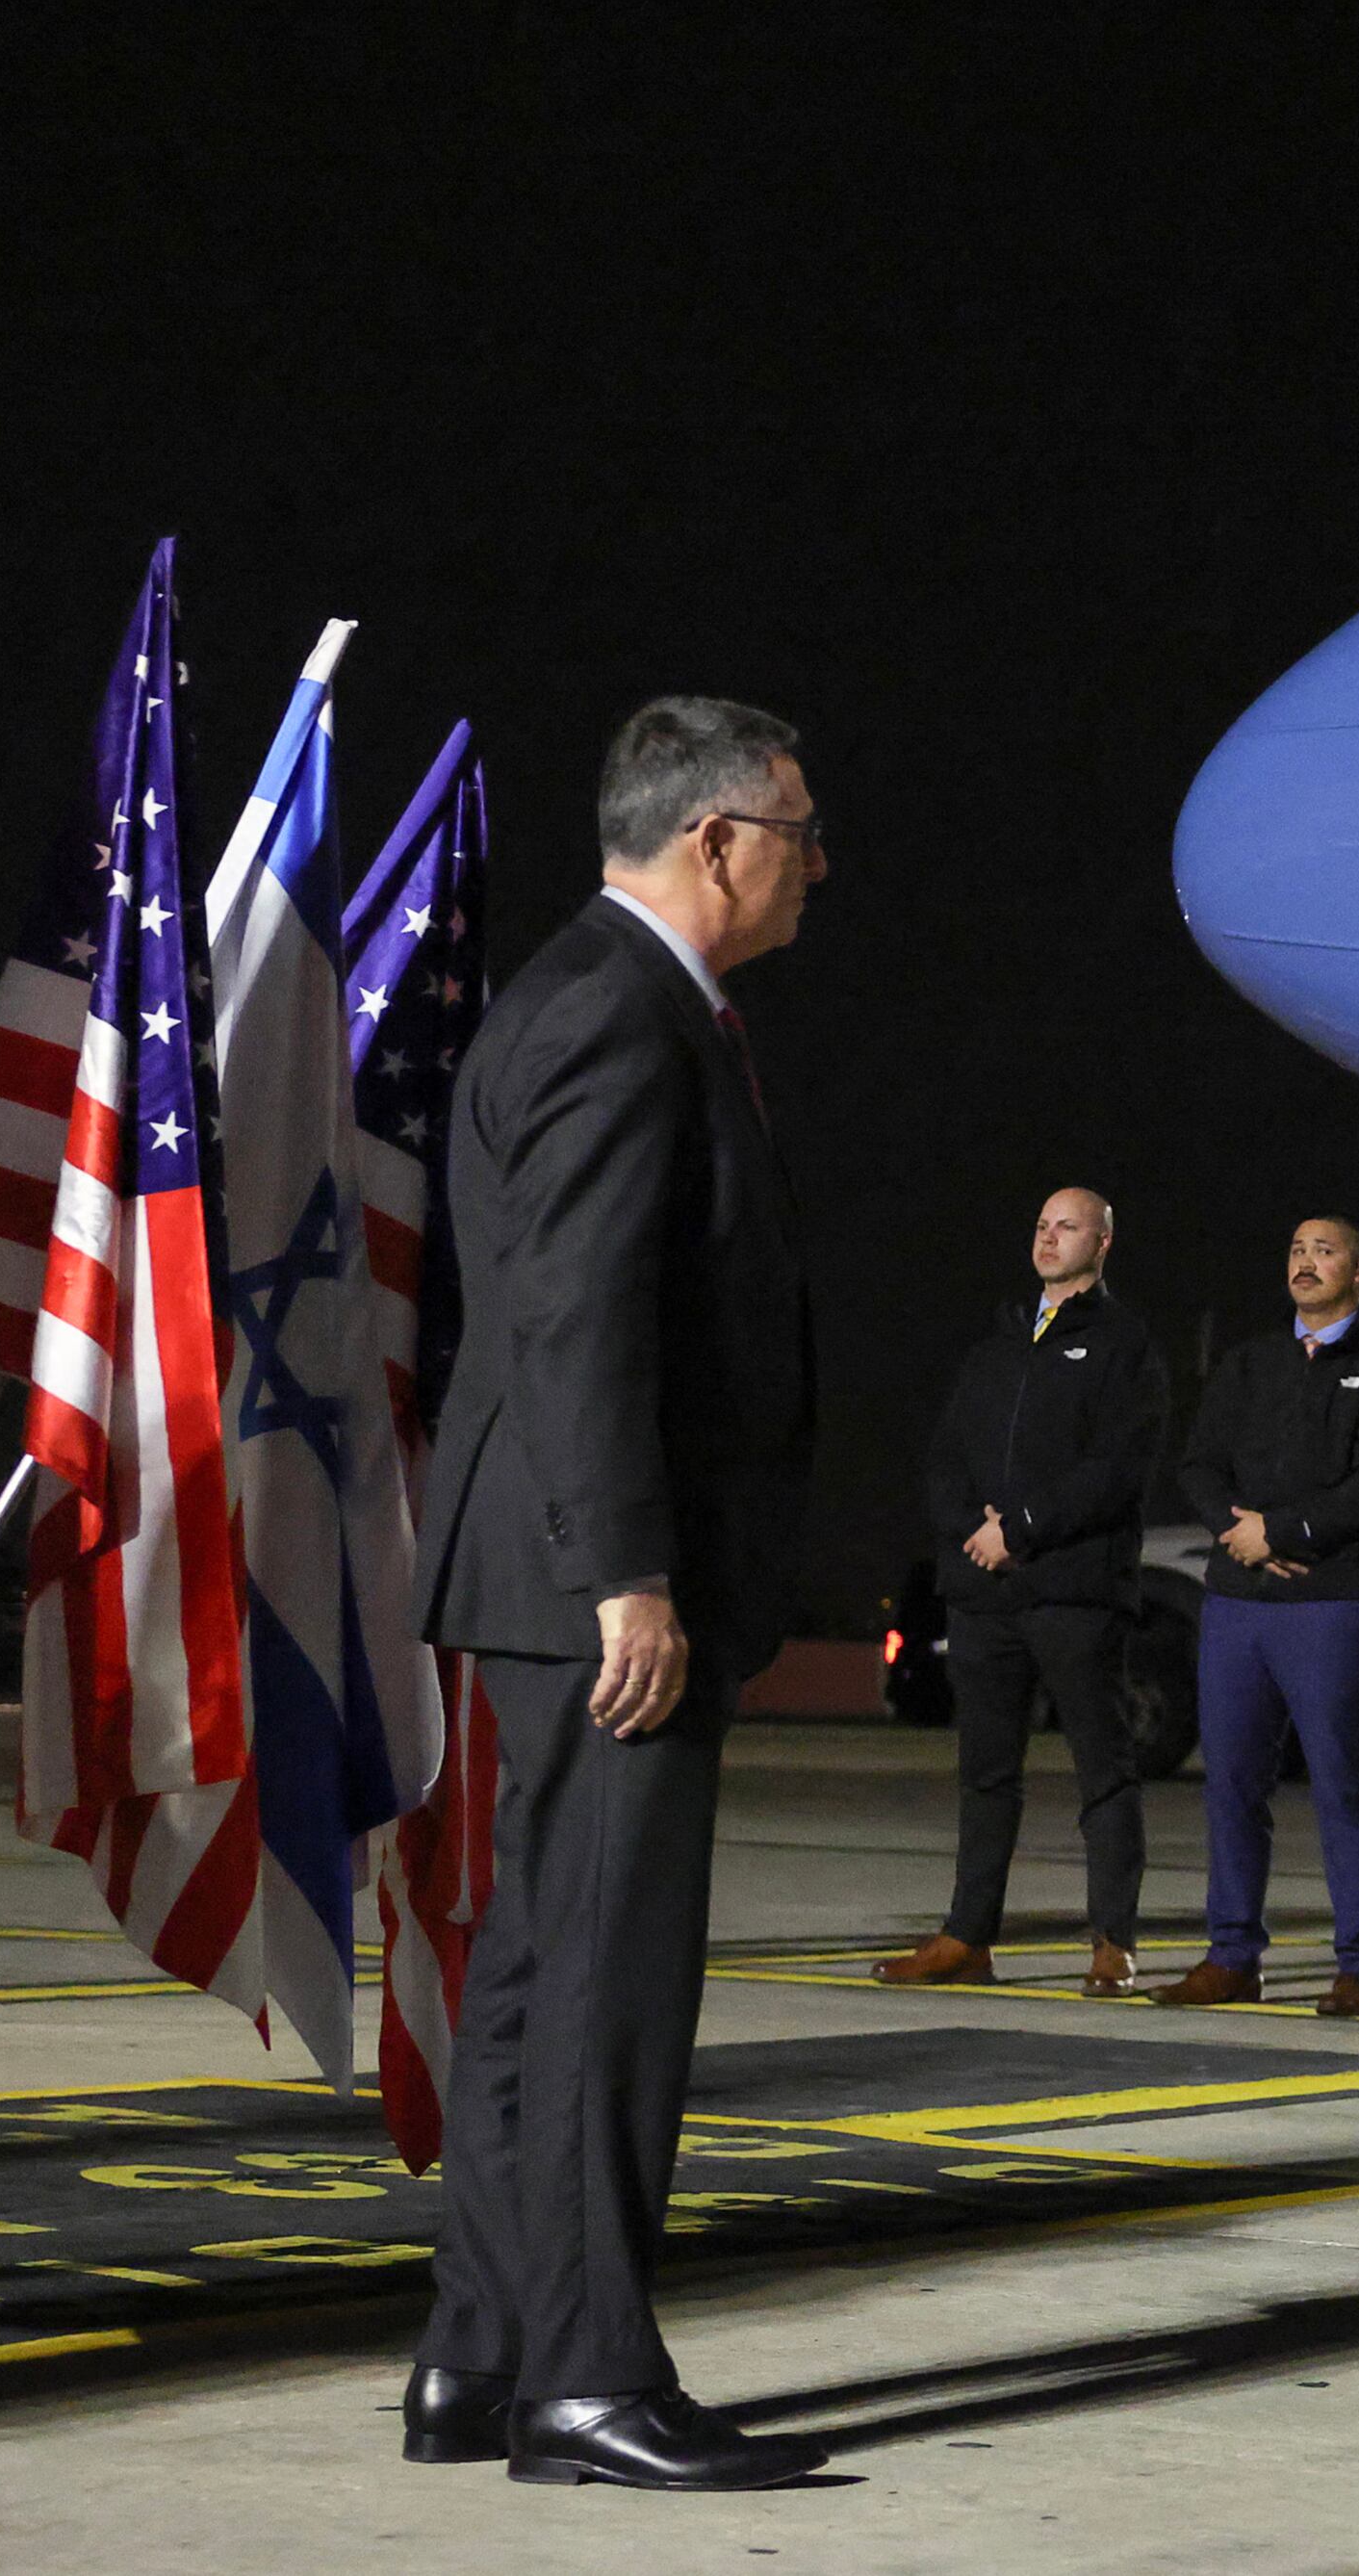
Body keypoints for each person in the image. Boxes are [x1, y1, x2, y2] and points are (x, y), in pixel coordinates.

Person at [400, 696, 829, 2491]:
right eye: (802, 828)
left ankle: (484, 2351)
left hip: (556, 1572)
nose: (819, 862)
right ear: (715, 839)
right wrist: (629, 1576)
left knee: (538, 1973)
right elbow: (574, 1320)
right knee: (605, 1983)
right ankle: (584, 2378)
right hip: (597, 1588)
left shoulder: (609, 998)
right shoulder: (615, 1009)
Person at [875, 1186, 1167, 1995]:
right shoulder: (996, 1344)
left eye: (1066, 1225)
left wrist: (1023, 1527)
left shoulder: (1125, 1345)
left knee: (1102, 1769)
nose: (1047, 1236)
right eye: (1039, 1224)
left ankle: (1112, 1941)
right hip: (986, 1597)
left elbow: (1117, 1470)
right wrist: (975, 1532)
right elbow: (944, 1460)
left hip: (1073, 1592)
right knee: (985, 1772)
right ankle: (968, 1936)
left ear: (1103, 1241)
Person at [1152, 1213, 1359, 2016]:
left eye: (1326, 1250)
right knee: (1231, 1785)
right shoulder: (1250, 1363)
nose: (1306, 1263)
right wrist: (1236, 1533)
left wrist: (1283, 1530)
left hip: (1330, 1602)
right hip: (1238, 1603)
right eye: (1297, 1249)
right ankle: (1232, 1955)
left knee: (1343, 1782)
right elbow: (1199, 1462)